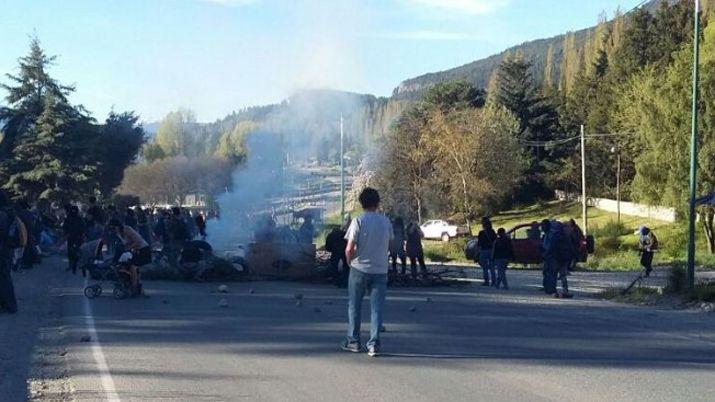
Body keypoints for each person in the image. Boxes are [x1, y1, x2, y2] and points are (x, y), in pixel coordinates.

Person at [342, 187, 392, 357]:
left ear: (361, 203)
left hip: (359, 268)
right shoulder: (386, 222)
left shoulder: (358, 221)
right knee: (377, 308)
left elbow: (349, 248)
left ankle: (354, 341)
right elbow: (391, 245)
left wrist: (350, 262)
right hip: (380, 270)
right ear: (378, 203)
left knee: (354, 306)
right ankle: (374, 344)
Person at [108, 219, 151, 293]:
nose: (113, 230)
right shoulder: (119, 234)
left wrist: (128, 248)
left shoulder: (127, 229)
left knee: (133, 266)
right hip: (136, 251)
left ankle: (134, 286)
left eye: (114, 228)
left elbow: (138, 241)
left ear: (118, 226)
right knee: (125, 264)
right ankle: (133, 284)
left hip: (143, 250)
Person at [541, 220, 573, 298]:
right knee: (562, 276)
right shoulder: (564, 236)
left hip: (554, 258)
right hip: (562, 258)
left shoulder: (552, 235)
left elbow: (550, 247)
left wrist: (545, 254)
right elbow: (569, 247)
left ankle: (552, 290)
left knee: (552, 274)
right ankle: (565, 291)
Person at [0, 191, 18, 313]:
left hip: (2, 250)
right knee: (5, 277)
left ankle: (9, 305)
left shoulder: (2, 214)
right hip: (7, 249)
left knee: (3, 278)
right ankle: (8, 305)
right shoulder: (9, 213)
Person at [63, 205, 86, 276]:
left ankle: (78, 264)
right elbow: (65, 227)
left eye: (74, 210)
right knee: (70, 251)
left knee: (78, 251)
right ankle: (71, 265)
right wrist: (66, 234)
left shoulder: (80, 219)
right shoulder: (68, 218)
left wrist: (83, 235)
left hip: (78, 237)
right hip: (71, 237)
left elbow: (83, 227)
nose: (73, 212)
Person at [325, 223, 349, 287]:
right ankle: (345, 282)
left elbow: (327, 246)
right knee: (346, 267)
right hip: (344, 251)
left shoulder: (330, 235)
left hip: (335, 252)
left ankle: (336, 281)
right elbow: (348, 242)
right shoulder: (344, 233)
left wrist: (332, 250)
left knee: (334, 266)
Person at [477, 217, 497, 286]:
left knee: (484, 267)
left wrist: (478, 253)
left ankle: (486, 281)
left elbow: (479, 244)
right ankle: (493, 281)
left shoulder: (481, 233)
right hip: (492, 250)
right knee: (492, 267)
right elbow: (495, 242)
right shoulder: (492, 232)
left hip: (484, 250)